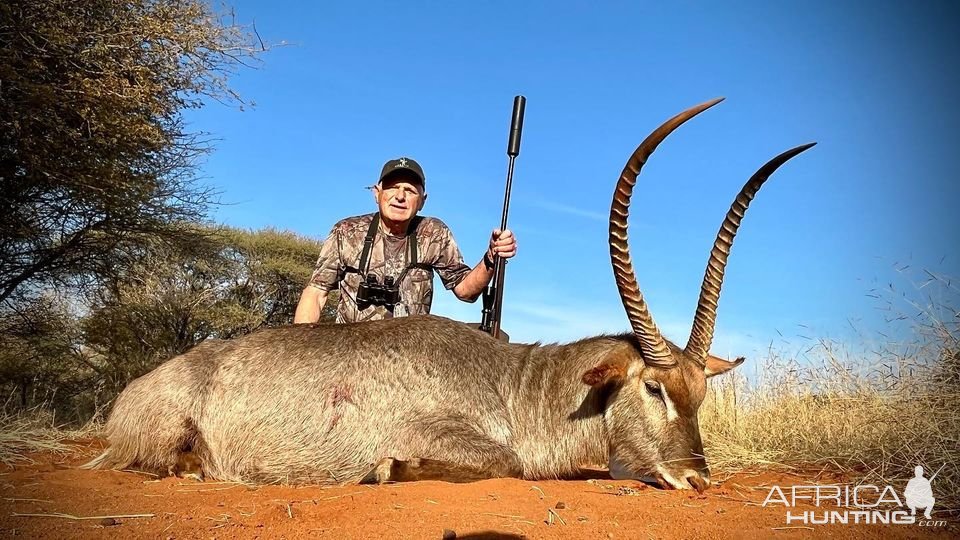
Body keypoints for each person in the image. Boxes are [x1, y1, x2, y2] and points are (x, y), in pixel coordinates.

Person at [293, 157, 517, 324]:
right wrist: (301, 349)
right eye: (392, 187)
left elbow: (466, 291)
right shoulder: (347, 231)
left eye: (410, 190)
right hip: (349, 354)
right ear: (377, 193)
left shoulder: (434, 233)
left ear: (422, 201)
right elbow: (316, 293)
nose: (400, 196)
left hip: (409, 360)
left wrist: (491, 257)